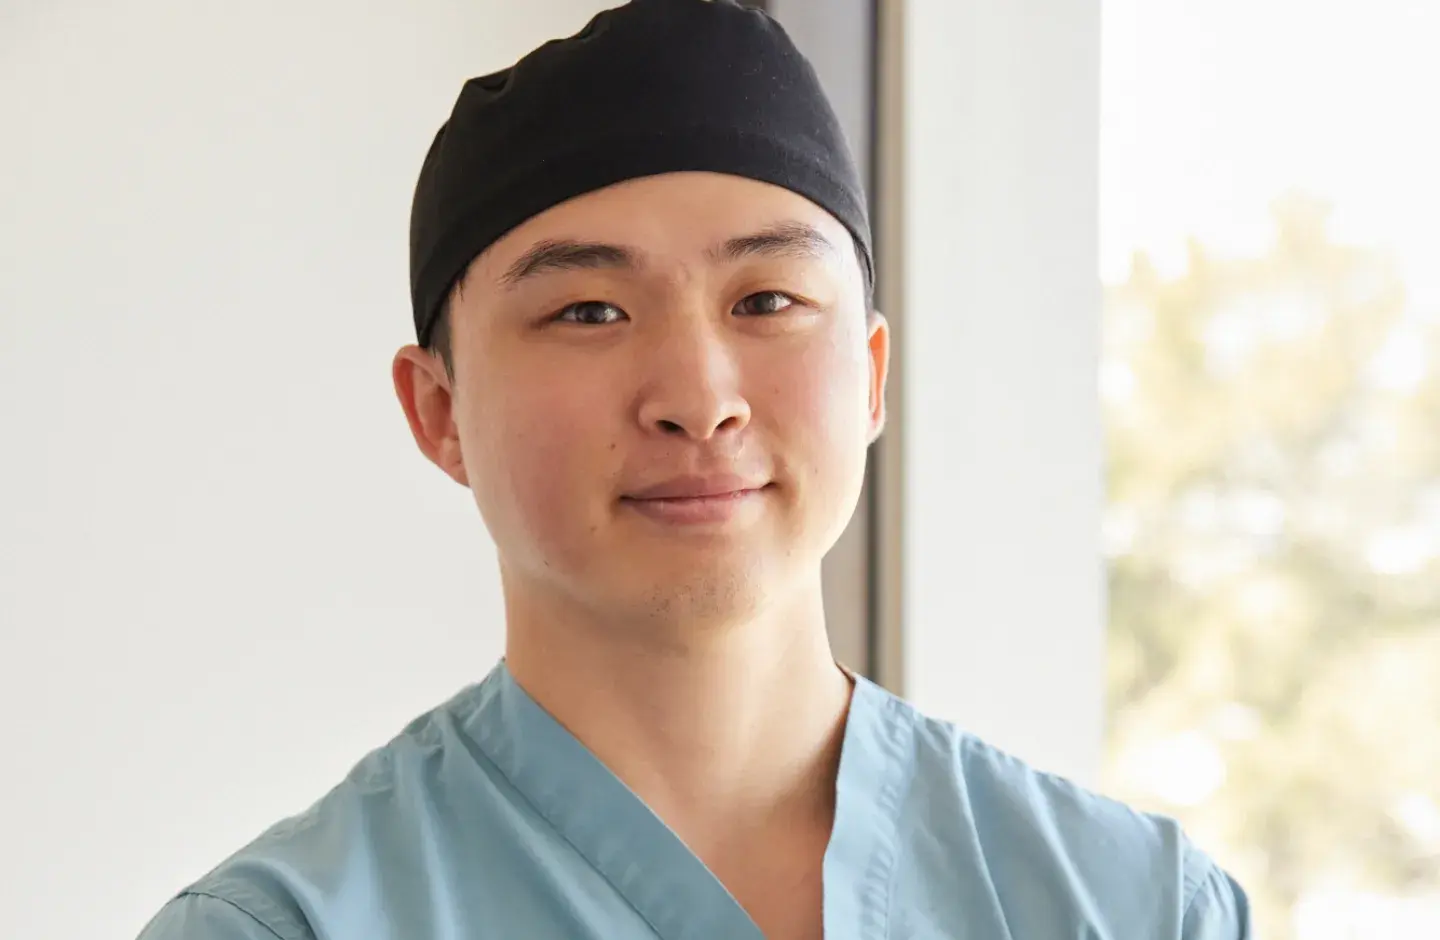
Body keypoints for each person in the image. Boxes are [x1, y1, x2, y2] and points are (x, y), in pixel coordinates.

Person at [137, 1, 1251, 937]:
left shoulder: (1134, 907)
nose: (698, 396)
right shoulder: (288, 928)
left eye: (766, 299)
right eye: (589, 310)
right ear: (441, 412)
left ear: (870, 377)